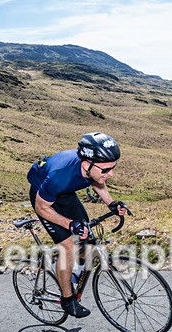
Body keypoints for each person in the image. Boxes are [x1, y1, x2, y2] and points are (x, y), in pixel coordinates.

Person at [27, 132, 126, 318]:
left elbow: (98, 181)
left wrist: (111, 203)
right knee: (68, 247)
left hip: (66, 194)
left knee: (87, 238)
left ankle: (69, 269)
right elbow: (42, 208)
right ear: (87, 164)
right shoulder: (59, 175)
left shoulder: (91, 167)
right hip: (45, 200)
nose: (110, 174)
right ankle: (68, 299)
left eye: (113, 168)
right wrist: (69, 224)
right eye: (106, 169)